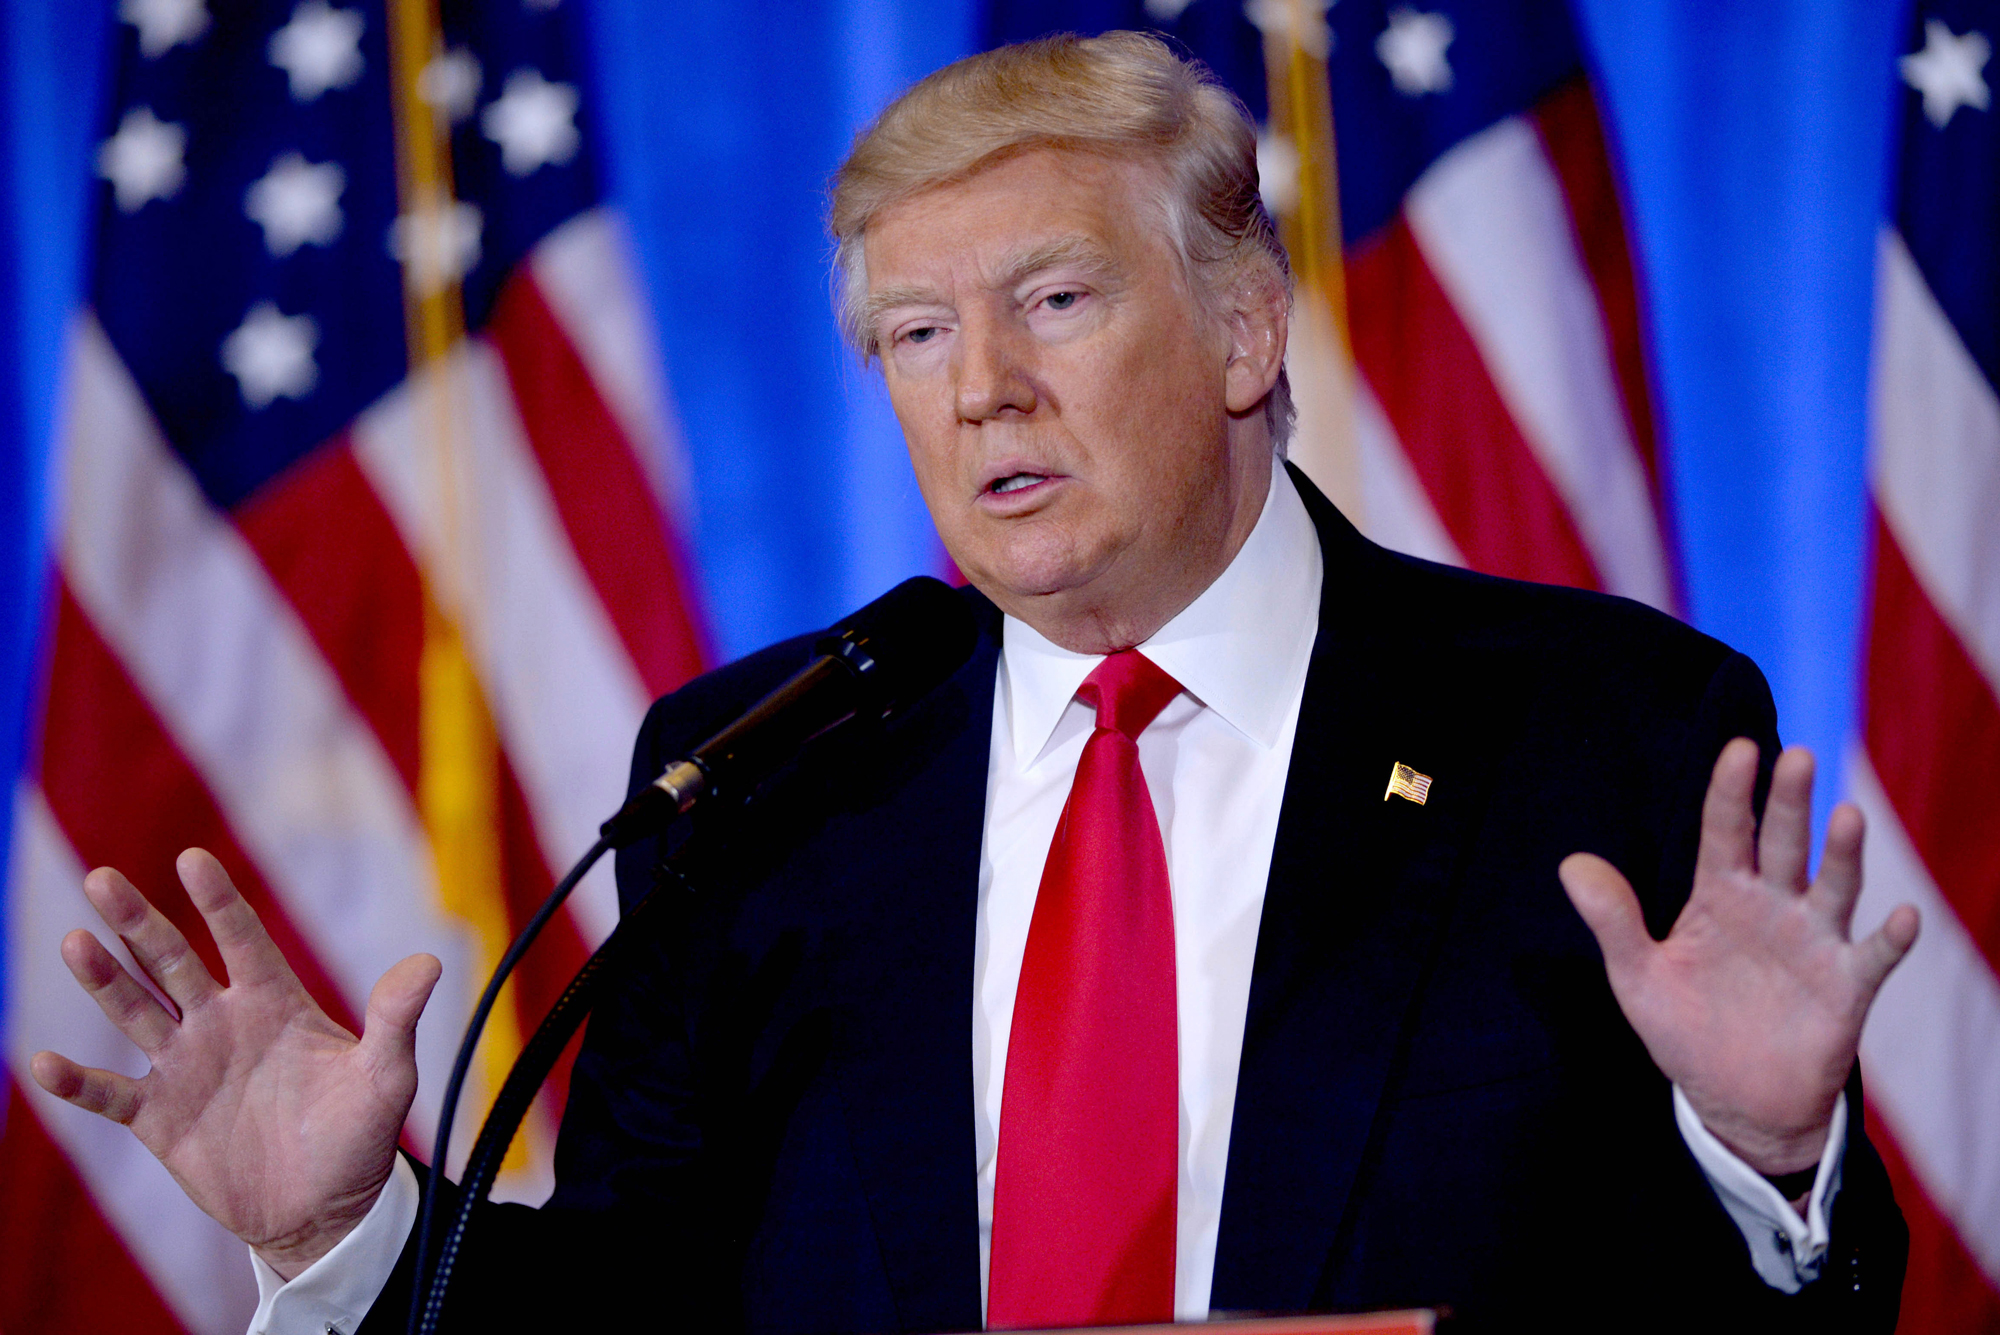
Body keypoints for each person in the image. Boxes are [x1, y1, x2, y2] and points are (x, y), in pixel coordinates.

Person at [32, 32, 1918, 1335]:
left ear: (1247, 327)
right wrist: (347, 1235)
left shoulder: (1602, 729)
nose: (980, 386)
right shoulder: (767, 771)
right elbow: (641, 1311)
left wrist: (1767, 1157)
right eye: (918, 334)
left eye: (1057, 300)